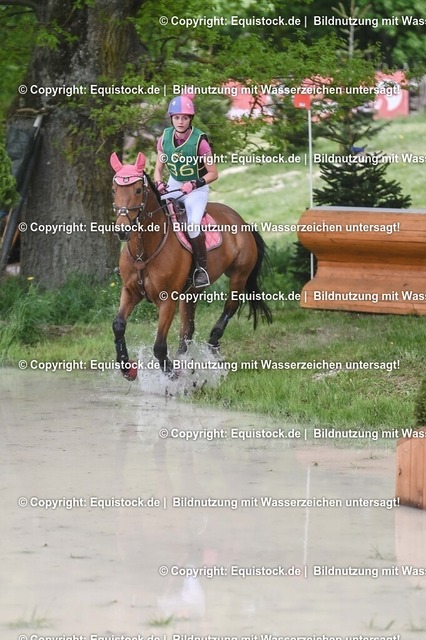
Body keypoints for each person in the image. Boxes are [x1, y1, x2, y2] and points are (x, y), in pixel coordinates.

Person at [154, 94, 218, 288]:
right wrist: (159, 183)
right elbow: (158, 169)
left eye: (185, 118)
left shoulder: (200, 142)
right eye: (177, 117)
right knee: (151, 212)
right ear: (171, 118)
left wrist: (194, 184)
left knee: (192, 226)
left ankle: (201, 269)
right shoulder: (164, 139)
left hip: (197, 189)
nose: (180, 121)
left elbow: (213, 173)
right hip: (174, 184)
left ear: (191, 119)